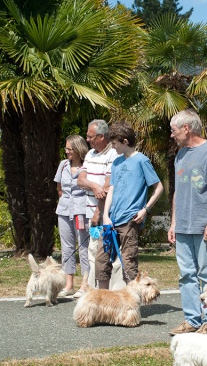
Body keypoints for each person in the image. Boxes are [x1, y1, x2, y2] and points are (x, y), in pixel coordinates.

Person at [167, 109, 207, 335]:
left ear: (187, 128)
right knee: (186, 275)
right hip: (183, 226)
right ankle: (192, 320)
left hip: (204, 227)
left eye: (174, 130)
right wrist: (174, 223)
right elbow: (177, 192)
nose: (171, 135)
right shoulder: (180, 155)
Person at [96, 122, 163, 284]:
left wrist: (145, 209)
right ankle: (104, 304)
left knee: (129, 263)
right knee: (101, 261)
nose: (113, 148)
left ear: (125, 142)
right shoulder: (117, 162)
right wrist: (105, 215)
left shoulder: (142, 160)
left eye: (114, 144)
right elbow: (111, 189)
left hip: (130, 220)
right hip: (111, 220)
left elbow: (159, 187)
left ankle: (132, 303)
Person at [78, 119, 123, 289]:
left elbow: (108, 186)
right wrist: (94, 185)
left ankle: (114, 293)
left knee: (109, 253)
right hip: (92, 216)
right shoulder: (90, 154)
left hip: (105, 217)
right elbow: (81, 180)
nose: (87, 139)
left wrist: (99, 212)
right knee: (92, 251)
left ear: (101, 136)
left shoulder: (114, 154)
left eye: (90, 136)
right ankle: (93, 291)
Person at [55, 135, 90, 298]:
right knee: (66, 247)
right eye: (66, 149)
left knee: (83, 247)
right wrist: (63, 200)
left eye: (70, 149)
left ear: (78, 149)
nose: (67, 152)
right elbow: (59, 187)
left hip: (81, 211)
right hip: (64, 210)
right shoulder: (63, 165)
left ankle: (85, 283)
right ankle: (68, 283)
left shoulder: (87, 164)